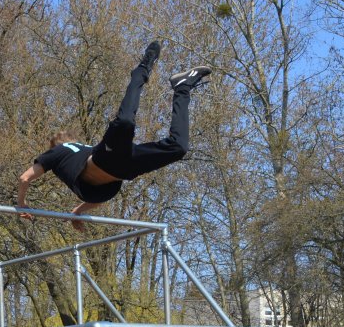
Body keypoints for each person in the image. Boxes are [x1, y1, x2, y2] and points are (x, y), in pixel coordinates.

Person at [16, 41, 212, 228]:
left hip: (113, 163)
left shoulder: (56, 153)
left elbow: (25, 178)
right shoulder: (74, 150)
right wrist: (77, 211)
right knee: (175, 146)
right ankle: (182, 86)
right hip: (124, 165)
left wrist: (21, 204)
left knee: (133, 126)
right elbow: (95, 199)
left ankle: (146, 68)